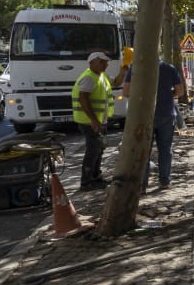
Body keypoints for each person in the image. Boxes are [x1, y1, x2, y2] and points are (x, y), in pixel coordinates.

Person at [126, 57, 185, 191]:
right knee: (165, 149)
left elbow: (126, 92)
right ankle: (164, 180)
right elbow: (180, 91)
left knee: (144, 150)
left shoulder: (134, 68)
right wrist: (169, 95)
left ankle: (143, 184)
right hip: (166, 114)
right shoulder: (169, 68)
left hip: (143, 116)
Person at [72, 51, 125, 191]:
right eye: (102, 61)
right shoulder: (89, 77)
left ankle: (96, 177)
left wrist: (123, 71)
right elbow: (83, 99)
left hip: (100, 121)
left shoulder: (101, 76)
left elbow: (116, 83)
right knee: (93, 151)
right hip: (90, 122)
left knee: (99, 149)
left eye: (106, 62)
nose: (105, 64)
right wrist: (94, 120)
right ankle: (86, 181)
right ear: (92, 62)